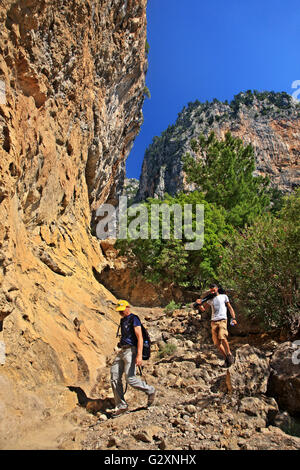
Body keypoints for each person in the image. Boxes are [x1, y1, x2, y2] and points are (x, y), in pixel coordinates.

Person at [110, 300, 156, 417]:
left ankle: (150, 390)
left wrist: (139, 355)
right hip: (122, 350)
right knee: (114, 375)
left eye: (122, 310)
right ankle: (121, 406)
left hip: (131, 351)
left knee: (130, 378)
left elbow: (139, 337)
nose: (120, 313)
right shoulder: (122, 320)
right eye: (119, 311)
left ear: (127, 307)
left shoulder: (134, 318)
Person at [196, 284, 237, 367]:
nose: (212, 290)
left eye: (213, 289)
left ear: (217, 289)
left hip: (222, 320)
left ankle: (229, 354)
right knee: (217, 343)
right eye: (210, 289)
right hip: (213, 322)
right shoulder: (210, 300)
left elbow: (230, 307)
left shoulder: (224, 296)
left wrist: (234, 318)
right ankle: (226, 359)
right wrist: (199, 304)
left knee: (222, 336)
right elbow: (203, 309)